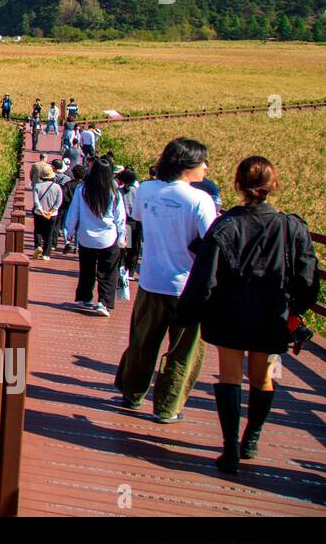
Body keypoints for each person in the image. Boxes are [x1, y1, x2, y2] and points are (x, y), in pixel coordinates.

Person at [178, 157, 320, 475]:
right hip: (271, 315)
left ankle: (229, 451)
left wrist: (187, 312)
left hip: (230, 314)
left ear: (238, 185)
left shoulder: (225, 226)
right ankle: (251, 440)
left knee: (230, 377)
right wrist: (296, 311)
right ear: (273, 185)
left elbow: (205, 278)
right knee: (262, 378)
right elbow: (307, 277)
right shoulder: (291, 226)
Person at [114, 138, 217, 423]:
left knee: (143, 340)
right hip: (188, 286)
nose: (206, 168)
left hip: (151, 279)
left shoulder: (146, 189)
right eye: (202, 162)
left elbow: (137, 221)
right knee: (184, 350)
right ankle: (168, 407)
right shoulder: (200, 200)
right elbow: (211, 242)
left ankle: (132, 393)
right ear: (188, 166)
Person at [64, 155, 126, 316]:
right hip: (108, 237)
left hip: (86, 237)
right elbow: (120, 217)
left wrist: (69, 232)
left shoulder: (82, 189)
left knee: (87, 269)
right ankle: (103, 303)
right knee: (107, 272)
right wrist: (122, 236)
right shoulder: (114, 191)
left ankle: (85, 297)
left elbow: (73, 212)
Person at [32, 162, 63, 261]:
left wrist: (41, 210)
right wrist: (52, 211)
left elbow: (36, 201)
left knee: (38, 230)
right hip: (52, 214)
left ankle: (38, 246)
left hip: (39, 213)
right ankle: (46, 254)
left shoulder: (37, 186)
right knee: (49, 233)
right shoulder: (57, 187)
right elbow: (59, 201)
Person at [117, 167, 142, 280]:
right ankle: (130, 271)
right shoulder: (138, 191)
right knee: (134, 249)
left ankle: (121, 267)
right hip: (135, 222)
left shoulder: (119, 191)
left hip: (123, 222)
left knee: (123, 246)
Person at [58, 163, 85, 253]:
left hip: (68, 207)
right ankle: (76, 247)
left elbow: (64, 196)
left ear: (73, 174)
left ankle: (67, 242)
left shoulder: (68, 184)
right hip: (81, 209)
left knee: (65, 225)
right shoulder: (84, 186)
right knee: (78, 228)